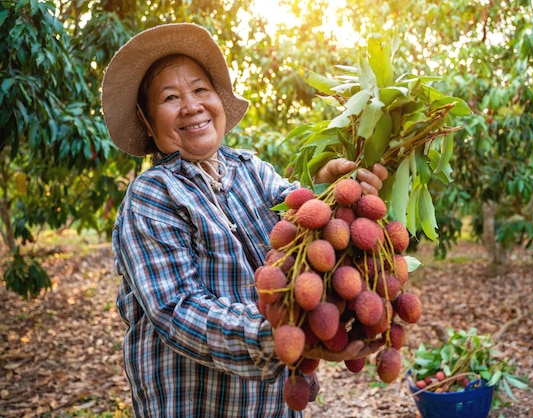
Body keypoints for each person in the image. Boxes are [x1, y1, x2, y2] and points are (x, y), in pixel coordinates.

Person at [101, 23, 388, 417]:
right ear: (147, 121)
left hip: (273, 406)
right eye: (170, 97)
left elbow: (295, 213)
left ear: (218, 100)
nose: (191, 106)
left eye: (201, 90)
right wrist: (278, 335)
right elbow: (176, 309)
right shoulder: (152, 195)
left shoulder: (250, 168)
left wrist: (329, 189)